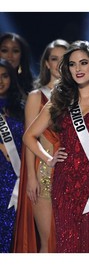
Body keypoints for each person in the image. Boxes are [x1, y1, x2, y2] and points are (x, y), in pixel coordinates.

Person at [22, 40, 89, 253]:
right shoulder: (60, 101)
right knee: (68, 249)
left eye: (83, 63)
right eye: (72, 64)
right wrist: (48, 158)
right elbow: (29, 137)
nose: (78, 69)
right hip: (64, 185)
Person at [13, 39, 70, 253]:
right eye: (54, 59)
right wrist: (31, 178)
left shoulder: (79, 96)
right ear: (46, 63)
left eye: (64, 59)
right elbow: (29, 140)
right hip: (45, 172)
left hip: (74, 174)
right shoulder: (36, 97)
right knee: (48, 240)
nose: (59, 64)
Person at [0, 58, 25, 252]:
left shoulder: (21, 107)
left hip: (15, 181)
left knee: (12, 232)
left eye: (5, 76)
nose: (0, 81)